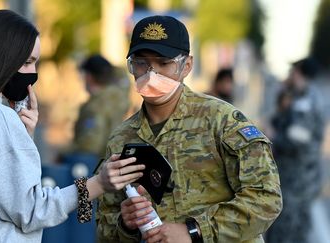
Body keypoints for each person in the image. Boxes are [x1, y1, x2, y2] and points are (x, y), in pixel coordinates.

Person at [0, 10, 144, 243]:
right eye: (26, 62)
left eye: (34, 63)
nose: (32, 73)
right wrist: (99, 183)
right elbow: (31, 211)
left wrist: (24, 137)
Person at [96, 15, 282, 243]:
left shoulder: (222, 121)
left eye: (164, 63)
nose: (151, 74)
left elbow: (266, 198)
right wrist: (127, 224)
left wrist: (195, 231)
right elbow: (105, 228)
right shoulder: (121, 139)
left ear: (187, 66)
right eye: (141, 63)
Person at [265, 58, 325, 243]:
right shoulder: (301, 96)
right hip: (298, 178)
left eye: (292, 71)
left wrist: (273, 137)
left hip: (297, 181)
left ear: (299, 73)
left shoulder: (305, 101)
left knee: (287, 233)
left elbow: (297, 140)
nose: (289, 75)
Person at [66, 54, 130, 159]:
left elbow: (90, 144)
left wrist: (64, 154)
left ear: (89, 77)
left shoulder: (95, 107)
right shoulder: (119, 97)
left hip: (98, 165)